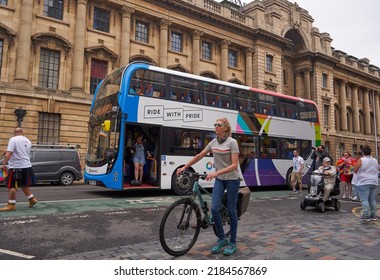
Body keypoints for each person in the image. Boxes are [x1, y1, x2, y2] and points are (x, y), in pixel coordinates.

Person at [176, 118, 240, 256]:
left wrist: (216, 172)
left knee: (231, 210)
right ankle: (222, 238)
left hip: (232, 179)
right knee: (215, 209)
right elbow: (199, 155)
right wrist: (185, 167)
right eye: (215, 124)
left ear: (225, 128)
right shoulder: (213, 142)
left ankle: (233, 242)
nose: (216, 127)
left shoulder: (232, 143)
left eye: (219, 125)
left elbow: (234, 165)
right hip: (220, 179)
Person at [0, 128, 38, 211]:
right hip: (27, 166)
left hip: (16, 167)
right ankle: (32, 199)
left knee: (12, 186)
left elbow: (10, 153)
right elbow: (20, 153)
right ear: (22, 133)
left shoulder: (13, 139)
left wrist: (4, 164)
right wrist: (7, 152)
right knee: (22, 184)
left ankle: (11, 204)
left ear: (15, 133)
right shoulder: (28, 141)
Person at [353, 145, 378, 222]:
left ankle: (366, 215)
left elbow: (355, 169)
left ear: (363, 152)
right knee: (372, 199)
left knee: (364, 199)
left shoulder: (361, 160)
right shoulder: (375, 160)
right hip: (373, 181)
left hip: (364, 181)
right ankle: (373, 215)